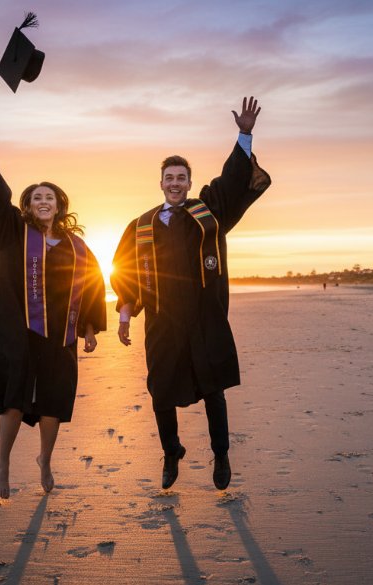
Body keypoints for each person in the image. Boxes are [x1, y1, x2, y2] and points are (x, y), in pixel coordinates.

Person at [111, 97, 271, 491]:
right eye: (170, 177)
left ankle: (221, 454)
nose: (176, 183)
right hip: (163, 322)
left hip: (205, 318)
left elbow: (233, 181)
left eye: (182, 177)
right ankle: (171, 452)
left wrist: (245, 134)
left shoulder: (208, 212)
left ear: (188, 181)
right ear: (161, 183)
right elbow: (126, 273)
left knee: (213, 390)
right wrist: (126, 314)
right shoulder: (142, 225)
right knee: (161, 391)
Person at [0, 113, 107, 499]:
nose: (43, 201)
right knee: (14, 400)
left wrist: (90, 329)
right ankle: (3, 462)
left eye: (50, 197)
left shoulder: (78, 247)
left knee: (53, 403)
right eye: (36, 197)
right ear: (28, 205)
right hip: (18, 332)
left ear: (60, 205)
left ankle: (45, 459)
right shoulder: (12, 232)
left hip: (58, 337)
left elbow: (93, 285)